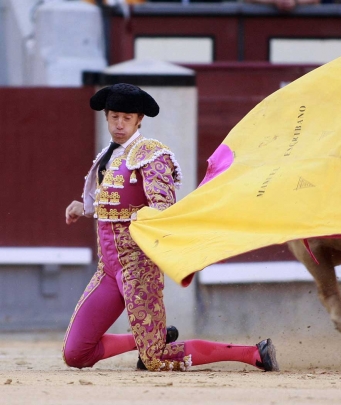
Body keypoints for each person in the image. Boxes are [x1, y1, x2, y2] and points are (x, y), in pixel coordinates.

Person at [63, 83, 279, 373]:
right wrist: (83, 207)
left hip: (138, 267)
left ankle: (253, 352)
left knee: (155, 359)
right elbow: (112, 203)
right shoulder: (108, 156)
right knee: (76, 354)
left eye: (127, 118)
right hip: (108, 269)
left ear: (139, 119)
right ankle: (150, 339)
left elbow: (163, 207)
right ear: (106, 117)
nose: (119, 124)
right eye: (114, 116)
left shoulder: (151, 154)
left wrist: (157, 226)